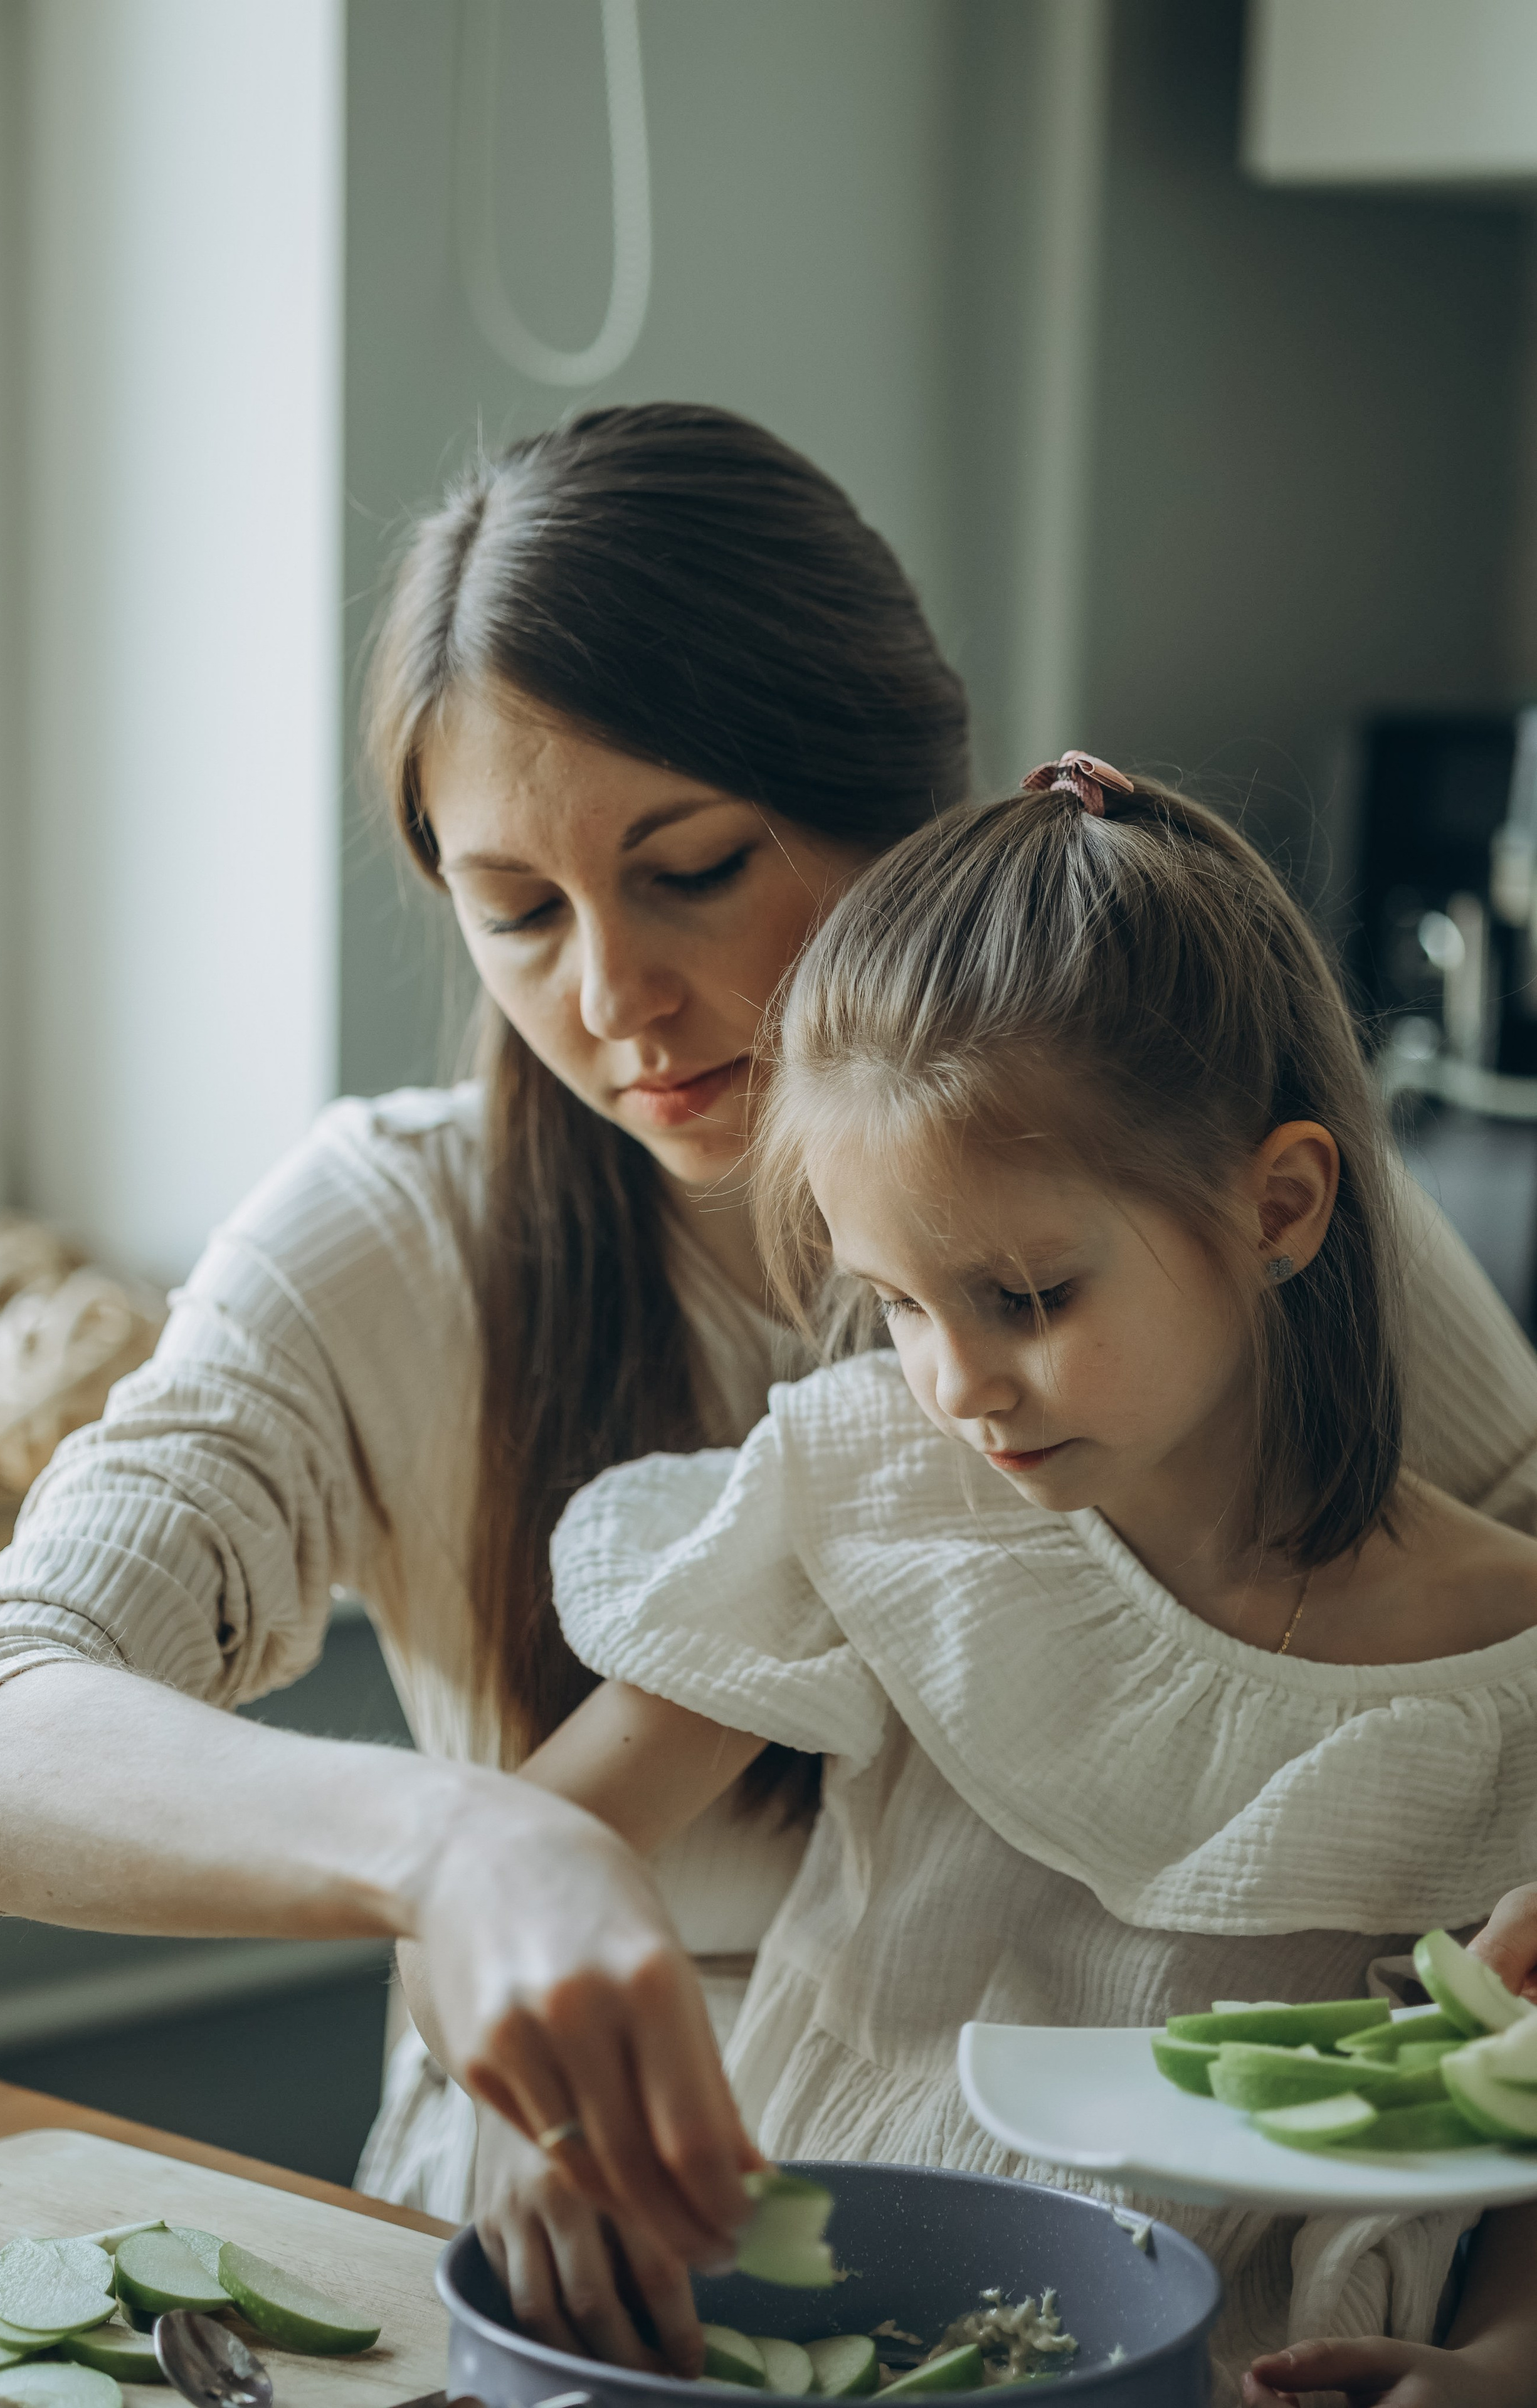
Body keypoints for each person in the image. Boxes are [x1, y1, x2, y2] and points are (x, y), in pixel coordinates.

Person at [0, 403, 1533, 2371]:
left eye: (689, 869)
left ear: (905, 804)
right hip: (596, 2273)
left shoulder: (1188, 1195)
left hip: (1134, 2298)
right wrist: (461, 1844)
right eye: (515, 911)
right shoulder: (392, 1234)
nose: (610, 996)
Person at [520, 761, 1537, 2404]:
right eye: (900, 1307)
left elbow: (1513, 2138)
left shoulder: (1508, 1675)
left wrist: (1503, 2365)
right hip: (797, 2327)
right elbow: (524, 1855)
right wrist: (572, 2108)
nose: (957, 1383)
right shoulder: (884, 1487)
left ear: (1277, 1207)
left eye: (1024, 1294)